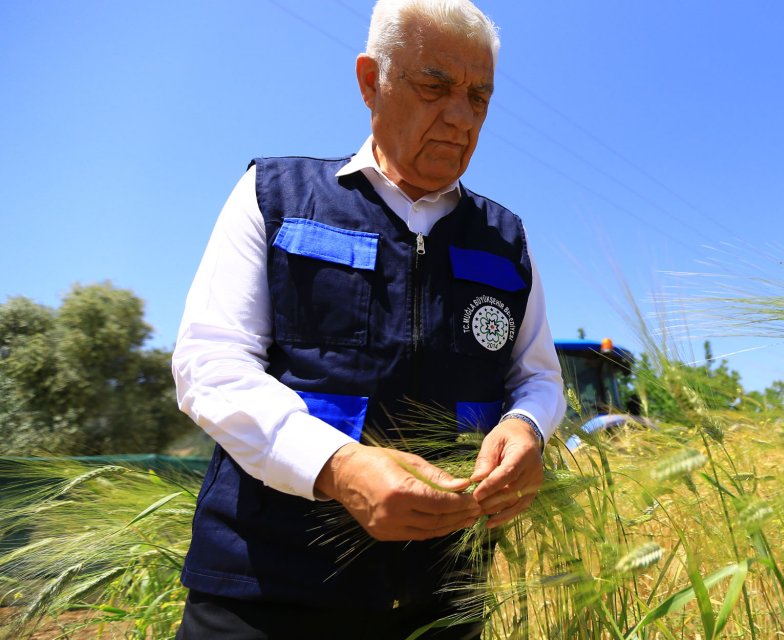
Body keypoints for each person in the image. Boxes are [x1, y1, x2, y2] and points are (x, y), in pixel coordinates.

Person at [170, 0, 565, 637]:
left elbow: (537, 377)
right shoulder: (274, 196)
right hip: (265, 591)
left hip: (440, 602)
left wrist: (526, 429)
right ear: (369, 80)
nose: (461, 117)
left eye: (480, 97)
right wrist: (338, 468)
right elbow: (208, 365)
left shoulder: (505, 237)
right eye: (435, 85)